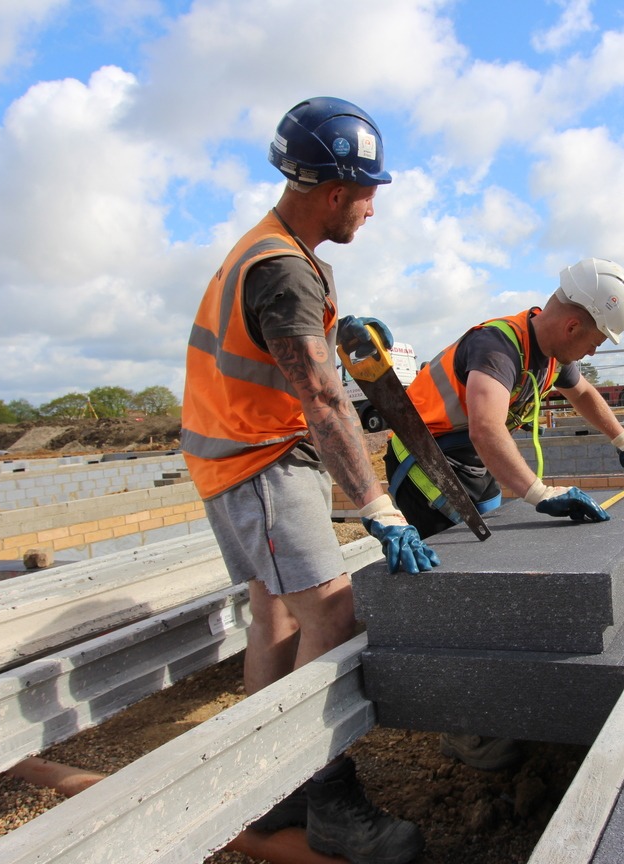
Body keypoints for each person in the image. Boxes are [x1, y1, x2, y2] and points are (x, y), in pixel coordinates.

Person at [181, 96, 436, 864]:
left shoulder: (276, 252)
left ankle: (265, 790)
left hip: (242, 455)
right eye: (369, 193)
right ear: (334, 190)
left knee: (275, 619)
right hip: (259, 460)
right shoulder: (284, 272)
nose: (371, 209)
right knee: (331, 611)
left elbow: (311, 374)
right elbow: (321, 401)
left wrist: (349, 342)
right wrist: (379, 507)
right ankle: (327, 802)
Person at [384, 257, 624, 770]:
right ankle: (467, 732)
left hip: (472, 467)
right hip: (428, 466)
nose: (594, 351)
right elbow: (488, 428)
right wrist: (538, 493)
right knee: (461, 597)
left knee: (490, 571)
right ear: (573, 324)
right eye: (596, 340)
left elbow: (584, 394)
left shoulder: (550, 351)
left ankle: (496, 700)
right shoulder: (497, 346)